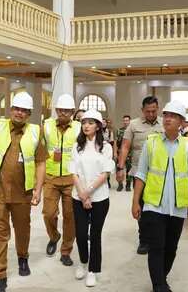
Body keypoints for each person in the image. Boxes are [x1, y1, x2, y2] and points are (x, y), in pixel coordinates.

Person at [0, 92, 47, 292]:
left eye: (24, 110)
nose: (19, 113)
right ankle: (0, 274)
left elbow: (41, 163)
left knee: (23, 229)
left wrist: (38, 190)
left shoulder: (35, 132)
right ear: (10, 109)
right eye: (16, 109)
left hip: (23, 192)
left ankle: (23, 257)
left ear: (29, 113)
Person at [131, 100, 188, 292]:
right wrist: (135, 201)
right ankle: (159, 286)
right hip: (153, 205)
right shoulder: (151, 142)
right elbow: (141, 173)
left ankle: (160, 279)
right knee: (156, 246)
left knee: (171, 249)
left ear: (181, 122)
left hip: (178, 207)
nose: (168, 118)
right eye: (166, 115)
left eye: (173, 116)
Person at [69, 109, 114, 288]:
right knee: (80, 233)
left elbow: (105, 174)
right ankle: (82, 261)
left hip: (100, 198)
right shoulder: (77, 146)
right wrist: (82, 194)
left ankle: (92, 270)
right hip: (78, 196)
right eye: (84, 122)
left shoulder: (106, 147)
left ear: (98, 126)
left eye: (90, 122)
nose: (86, 125)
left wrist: (88, 192)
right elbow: (73, 171)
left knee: (95, 235)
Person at [117, 96, 164, 255]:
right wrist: (120, 167)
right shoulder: (133, 125)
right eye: (147, 111)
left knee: (158, 208)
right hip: (140, 174)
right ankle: (144, 240)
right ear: (142, 110)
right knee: (142, 207)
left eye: (154, 111)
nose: (151, 114)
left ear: (157, 109)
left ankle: (156, 237)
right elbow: (125, 147)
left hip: (160, 174)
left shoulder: (164, 123)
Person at [40, 94, 80, 266]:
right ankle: (54, 236)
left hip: (71, 178)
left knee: (70, 217)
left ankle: (66, 250)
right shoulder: (46, 125)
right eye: (60, 110)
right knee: (48, 213)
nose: (63, 113)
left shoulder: (79, 127)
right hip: (51, 177)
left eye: (67, 110)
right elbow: (39, 151)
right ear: (56, 110)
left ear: (72, 112)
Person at [115, 115, 132, 191]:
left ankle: (128, 185)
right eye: (124, 120)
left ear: (129, 121)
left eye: (127, 120)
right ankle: (120, 184)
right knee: (119, 169)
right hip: (120, 153)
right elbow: (115, 142)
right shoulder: (119, 130)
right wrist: (115, 152)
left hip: (130, 153)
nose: (125, 122)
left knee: (129, 170)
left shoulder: (132, 131)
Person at [102, 118, 115, 189]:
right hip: (100, 151)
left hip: (107, 150)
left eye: (104, 122)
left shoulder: (109, 132)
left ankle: (107, 180)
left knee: (107, 165)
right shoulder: (97, 131)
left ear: (106, 123)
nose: (103, 123)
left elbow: (112, 142)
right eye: (102, 122)